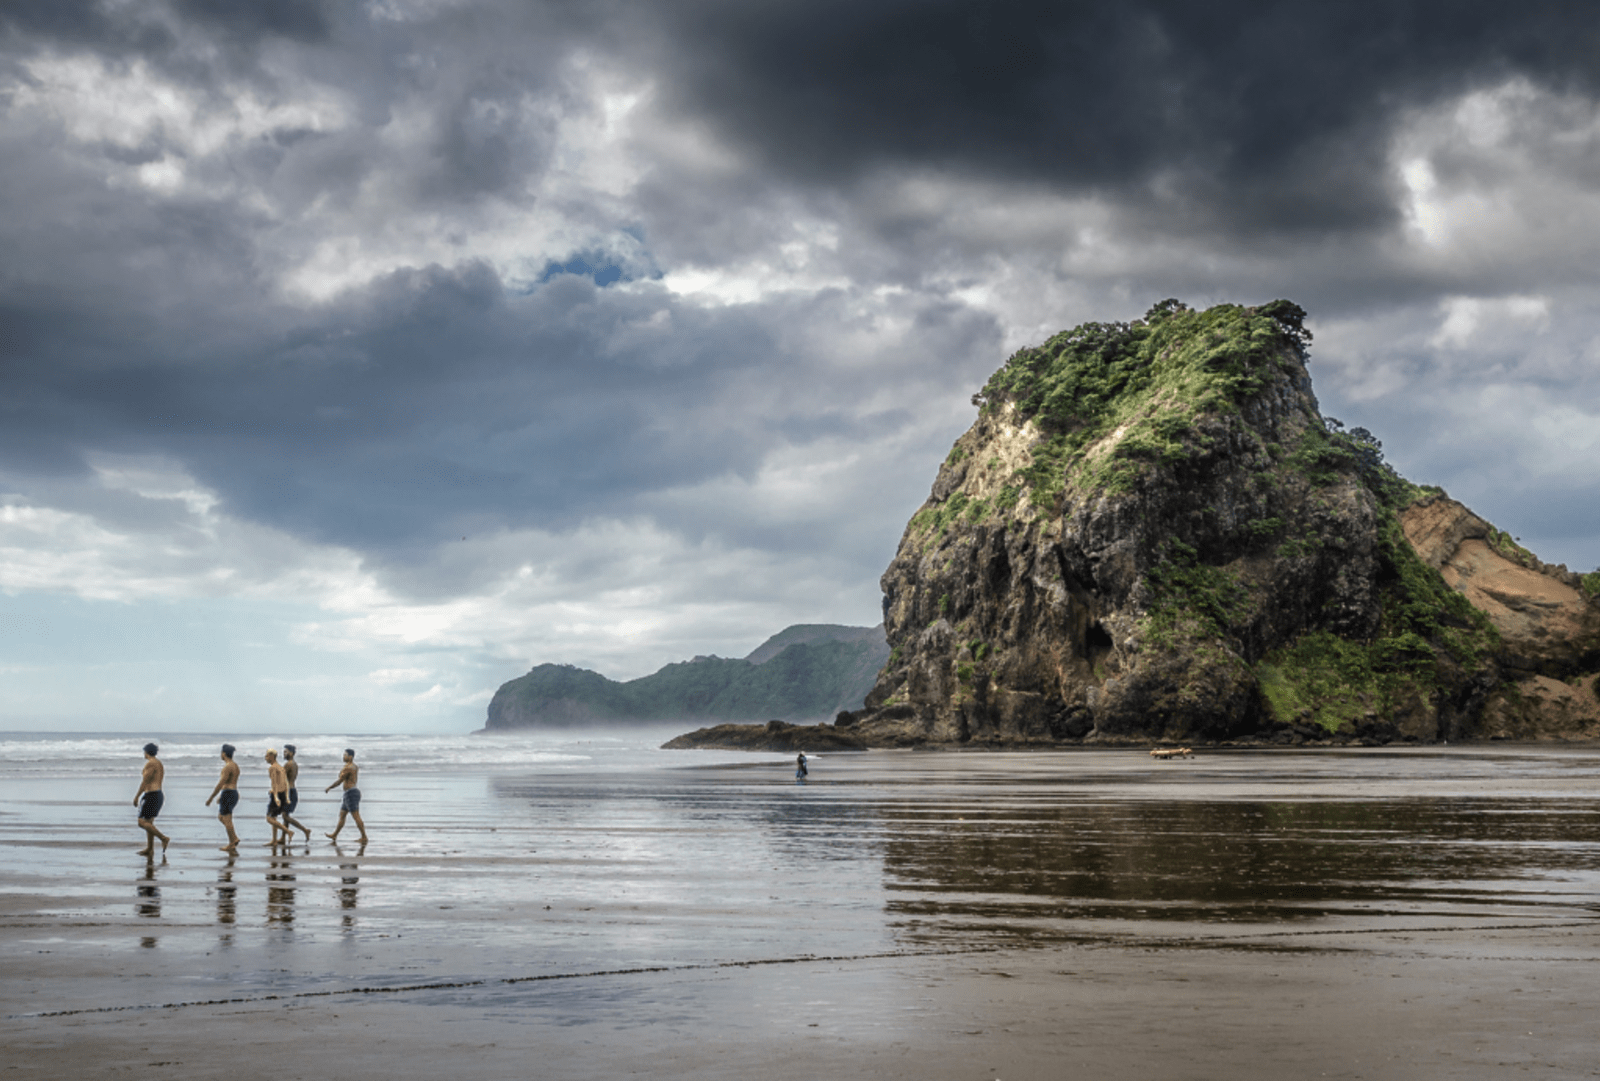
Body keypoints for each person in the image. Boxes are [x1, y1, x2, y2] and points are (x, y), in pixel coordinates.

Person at [133, 742, 170, 855]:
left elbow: (145, 782)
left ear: (146, 752)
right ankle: (150, 849)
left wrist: (137, 796)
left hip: (151, 795)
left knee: (141, 822)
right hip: (157, 794)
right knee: (149, 823)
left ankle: (163, 838)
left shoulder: (151, 763)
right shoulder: (158, 763)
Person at [324, 748, 367, 843]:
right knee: (342, 815)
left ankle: (364, 837)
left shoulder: (348, 767)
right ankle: (334, 835)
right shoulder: (354, 766)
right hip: (350, 793)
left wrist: (329, 787)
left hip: (351, 793)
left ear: (350, 757)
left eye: (345, 755)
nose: (343, 756)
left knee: (356, 816)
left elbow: (340, 780)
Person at [204, 743, 241, 851]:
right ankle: (233, 838)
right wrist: (221, 795)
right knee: (222, 817)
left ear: (224, 754)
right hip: (233, 792)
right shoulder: (235, 766)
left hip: (228, 793)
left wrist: (211, 797)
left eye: (221, 753)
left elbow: (221, 784)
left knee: (226, 819)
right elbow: (229, 782)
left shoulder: (227, 767)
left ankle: (232, 841)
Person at [280, 744, 312, 841]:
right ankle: (282, 838)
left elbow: (281, 778)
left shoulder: (288, 764)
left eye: (286, 752)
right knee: (286, 815)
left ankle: (305, 830)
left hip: (288, 792)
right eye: (284, 752)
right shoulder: (294, 764)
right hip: (292, 790)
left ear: (292, 753)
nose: (284, 754)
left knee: (285, 816)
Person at [263, 749, 291, 847]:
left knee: (269, 818)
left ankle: (288, 831)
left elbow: (274, 783)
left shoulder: (273, 768)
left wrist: (275, 797)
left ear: (271, 756)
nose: (265, 758)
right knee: (274, 817)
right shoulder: (281, 767)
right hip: (282, 794)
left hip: (277, 795)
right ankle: (274, 840)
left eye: (266, 756)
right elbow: (286, 783)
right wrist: (287, 797)